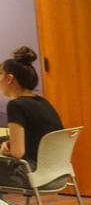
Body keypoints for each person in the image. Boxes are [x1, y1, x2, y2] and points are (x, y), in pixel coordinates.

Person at [0, 47, 63, 189]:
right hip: (58, 175)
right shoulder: (43, 102)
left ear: (9, 78)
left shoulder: (15, 105)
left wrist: (7, 150)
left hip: (32, 175)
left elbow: (17, 153)